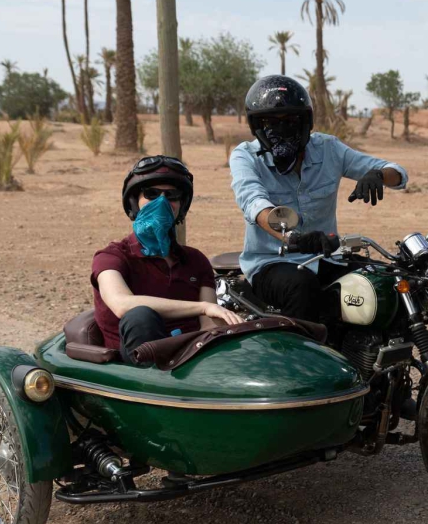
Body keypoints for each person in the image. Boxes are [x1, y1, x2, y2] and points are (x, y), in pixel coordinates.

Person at [230, 75, 408, 323]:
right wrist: (293, 238)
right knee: (301, 287)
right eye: (270, 122)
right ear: (256, 125)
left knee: (384, 281)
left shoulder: (328, 149)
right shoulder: (245, 157)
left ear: (306, 121)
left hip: (326, 257)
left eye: (291, 120)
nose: (281, 129)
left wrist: (378, 175)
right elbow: (254, 203)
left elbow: (398, 172)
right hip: (271, 263)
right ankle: (298, 349)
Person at [92, 156, 243, 365]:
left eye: (172, 196)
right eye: (152, 194)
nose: (162, 202)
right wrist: (202, 307)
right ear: (134, 202)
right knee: (140, 316)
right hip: (134, 365)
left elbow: (207, 326)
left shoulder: (196, 260)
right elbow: (121, 304)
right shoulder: (111, 257)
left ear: (181, 206)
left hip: (188, 359)